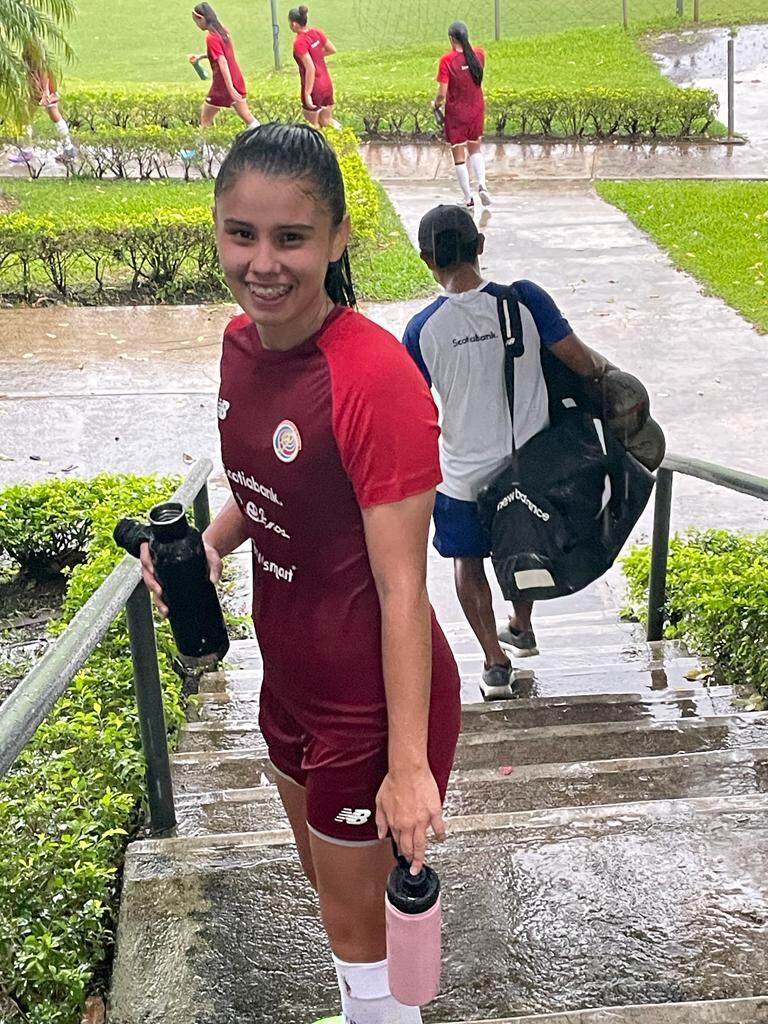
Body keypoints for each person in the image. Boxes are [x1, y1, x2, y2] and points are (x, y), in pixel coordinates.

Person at [140, 124, 461, 1024]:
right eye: (241, 234)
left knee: (362, 929)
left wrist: (408, 768)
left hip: (370, 703)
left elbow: (404, 590)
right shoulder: (240, 346)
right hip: (287, 681)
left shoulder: (375, 379)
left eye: (291, 237)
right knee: (329, 890)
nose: (263, 263)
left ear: (339, 238)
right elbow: (274, 486)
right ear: (216, 229)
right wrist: (210, 543)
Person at [404, 205, 614, 700]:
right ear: (480, 245)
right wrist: (611, 376)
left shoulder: (421, 330)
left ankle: (495, 664)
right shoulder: (525, 301)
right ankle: (520, 624)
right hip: (532, 465)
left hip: (462, 473)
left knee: (467, 559)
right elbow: (580, 361)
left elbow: (410, 408)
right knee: (524, 539)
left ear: (426, 258)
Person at [433, 21, 489, 209]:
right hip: (476, 108)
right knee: (475, 149)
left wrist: (435, 104)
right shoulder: (479, 54)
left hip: (457, 112)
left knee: (459, 155)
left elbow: (442, 93)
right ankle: (482, 185)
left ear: (451, 38)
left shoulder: (447, 61)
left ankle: (468, 198)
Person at [188, 3, 258, 128]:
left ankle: (208, 142)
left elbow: (222, 61)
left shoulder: (211, 38)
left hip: (222, 85)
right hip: (236, 78)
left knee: (205, 119)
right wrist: (200, 56)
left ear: (202, 18)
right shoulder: (223, 32)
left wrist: (230, 89)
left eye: (196, 21)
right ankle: (264, 136)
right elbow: (222, 54)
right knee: (247, 116)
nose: (197, 25)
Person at [9, 40, 77, 165]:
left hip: (39, 89)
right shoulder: (35, 56)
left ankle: (27, 150)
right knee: (41, 116)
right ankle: (68, 148)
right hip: (39, 88)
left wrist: (45, 93)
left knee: (31, 116)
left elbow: (43, 73)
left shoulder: (36, 58)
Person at [288, 5, 340, 129]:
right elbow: (332, 49)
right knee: (327, 121)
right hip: (326, 84)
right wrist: (317, 56)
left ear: (294, 24)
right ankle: (344, 136)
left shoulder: (299, 42)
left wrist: (307, 93)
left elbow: (310, 68)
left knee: (313, 126)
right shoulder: (316, 33)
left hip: (314, 88)